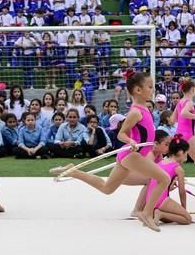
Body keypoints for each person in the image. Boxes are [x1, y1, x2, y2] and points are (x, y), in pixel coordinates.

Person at [49, 71, 170, 232]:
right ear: (138, 90)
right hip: (132, 155)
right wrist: (131, 141)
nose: (153, 90)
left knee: (107, 188)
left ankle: (73, 171)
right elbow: (121, 133)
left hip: (128, 156)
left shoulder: (145, 109)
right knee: (164, 178)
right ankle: (147, 213)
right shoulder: (135, 112)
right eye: (150, 87)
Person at [173, 78, 195, 196]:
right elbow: (183, 113)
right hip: (187, 135)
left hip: (179, 133)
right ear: (193, 90)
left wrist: (190, 118)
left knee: (176, 163)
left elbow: (173, 119)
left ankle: (166, 184)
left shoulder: (180, 102)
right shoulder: (189, 102)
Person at [147, 134, 192, 226]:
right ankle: (160, 213)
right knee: (187, 219)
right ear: (180, 152)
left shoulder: (160, 163)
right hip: (161, 200)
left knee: (172, 217)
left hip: (150, 200)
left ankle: (157, 212)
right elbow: (182, 192)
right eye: (186, 152)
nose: (186, 155)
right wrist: (183, 209)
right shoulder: (178, 168)